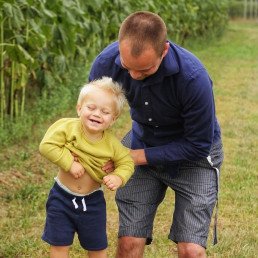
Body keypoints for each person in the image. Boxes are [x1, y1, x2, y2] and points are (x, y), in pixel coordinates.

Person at [89, 11, 224, 258]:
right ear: (120, 48)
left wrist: (134, 157)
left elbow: (198, 144)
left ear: (164, 50)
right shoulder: (106, 64)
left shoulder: (193, 78)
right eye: (128, 67)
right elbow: (92, 120)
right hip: (143, 138)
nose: (134, 76)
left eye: (145, 70)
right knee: (129, 242)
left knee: (191, 251)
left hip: (194, 155)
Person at [39, 77, 134, 258]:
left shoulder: (112, 144)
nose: (97, 114)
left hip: (92, 202)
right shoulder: (67, 128)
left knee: (97, 247)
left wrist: (118, 177)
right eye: (91, 108)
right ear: (79, 108)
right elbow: (47, 145)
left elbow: (126, 162)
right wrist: (69, 162)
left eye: (105, 112)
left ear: (113, 119)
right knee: (59, 244)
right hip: (62, 197)